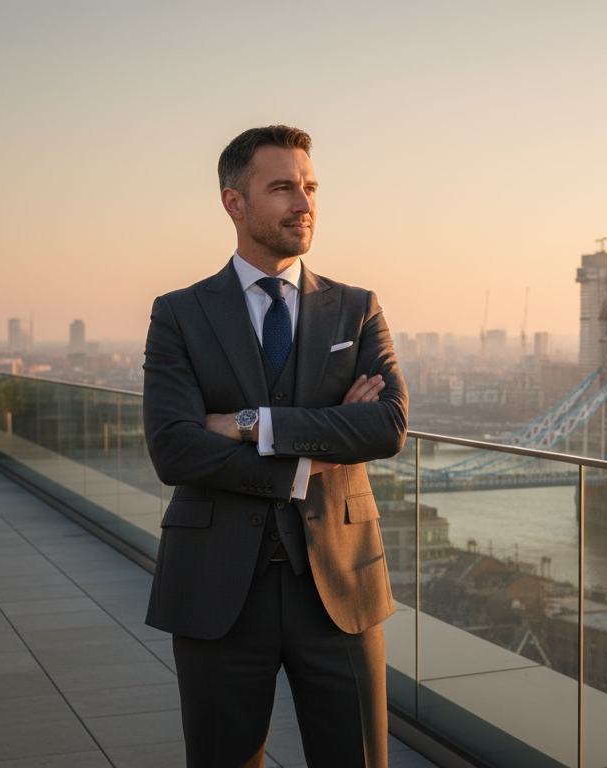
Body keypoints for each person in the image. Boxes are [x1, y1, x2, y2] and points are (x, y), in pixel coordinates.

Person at [142, 124, 407, 768]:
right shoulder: (178, 313)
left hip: (341, 586)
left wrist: (253, 423)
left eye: (310, 187)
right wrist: (319, 445)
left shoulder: (357, 308)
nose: (304, 203)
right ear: (235, 202)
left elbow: (387, 426)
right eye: (283, 187)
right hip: (216, 588)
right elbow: (173, 448)